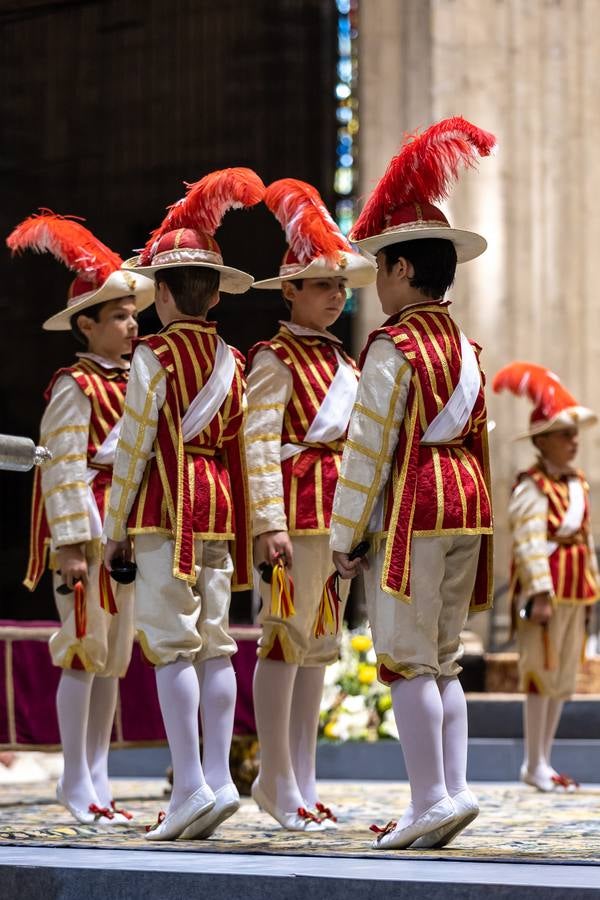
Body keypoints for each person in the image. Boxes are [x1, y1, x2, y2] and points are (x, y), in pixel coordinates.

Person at [330, 117, 496, 850]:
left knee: (404, 658)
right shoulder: (464, 345)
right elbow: (480, 434)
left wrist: (346, 539)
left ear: (401, 271)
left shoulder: (393, 348)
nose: (374, 282)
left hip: (417, 508)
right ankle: (452, 792)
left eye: (378, 269)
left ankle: (429, 797)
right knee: (447, 657)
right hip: (471, 504)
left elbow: (367, 451)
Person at [103, 168, 264, 841]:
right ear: (213, 296)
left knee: (172, 650)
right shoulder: (232, 358)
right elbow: (250, 450)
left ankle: (191, 786)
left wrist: (114, 532)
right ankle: (222, 780)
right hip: (222, 512)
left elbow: (135, 446)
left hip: (165, 511)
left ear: (163, 293)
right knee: (218, 648)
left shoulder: (153, 355)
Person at [8, 211, 154, 824]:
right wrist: (70, 543)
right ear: (85, 324)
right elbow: (61, 466)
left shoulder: (137, 381)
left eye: (133, 314)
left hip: (126, 532)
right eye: (117, 316)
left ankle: (99, 775)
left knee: (113, 660)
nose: (130, 324)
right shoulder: (74, 384)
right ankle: (74, 779)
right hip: (89, 534)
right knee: (83, 652)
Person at [246, 178, 376, 830]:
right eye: (323, 284)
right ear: (290, 289)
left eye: (341, 285)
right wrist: (267, 523)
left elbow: (356, 449)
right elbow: (258, 444)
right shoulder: (273, 359)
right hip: (292, 520)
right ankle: (274, 776)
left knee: (320, 648)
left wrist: (357, 530)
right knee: (283, 640)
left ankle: (303, 778)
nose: (337, 295)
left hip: (333, 517)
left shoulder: (346, 365)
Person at [493, 361, 599, 791]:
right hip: (548, 594)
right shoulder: (532, 486)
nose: (573, 442)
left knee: (562, 679)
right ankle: (533, 761)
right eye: (563, 434)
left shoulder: (577, 484)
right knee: (539, 674)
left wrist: (592, 584)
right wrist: (539, 591)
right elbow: (529, 541)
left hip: (576, 589)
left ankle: (545, 759)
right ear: (542, 440)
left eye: (574, 434)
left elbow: (586, 540)